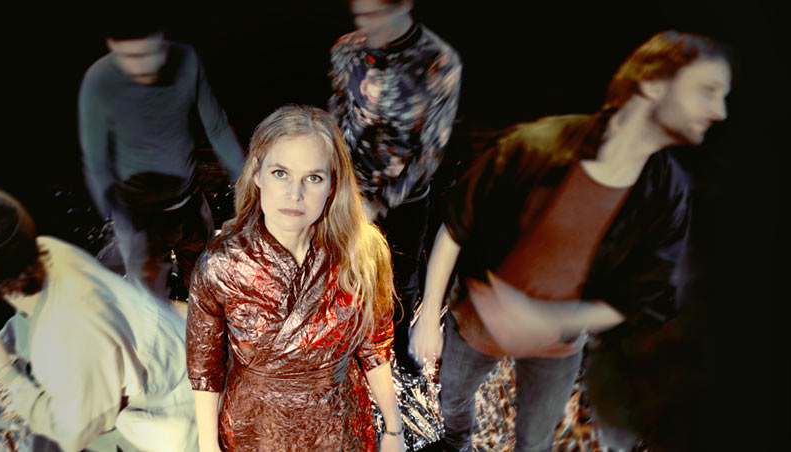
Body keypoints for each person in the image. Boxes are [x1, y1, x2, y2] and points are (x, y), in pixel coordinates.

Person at [409, 30, 731, 451]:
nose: (719, 111)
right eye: (707, 91)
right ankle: (456, 443)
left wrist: (551, 319)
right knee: (452, 403)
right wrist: (427, 318)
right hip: (475, 326)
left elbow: (644, 296)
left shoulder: (666, 193)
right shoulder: (534, 147)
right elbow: (455, 226)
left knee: (535, 442)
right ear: (653, 84)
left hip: (558, 349)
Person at [186, 105, 405, 452]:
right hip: (254, 434)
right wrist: (208, 446)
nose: (295, 193)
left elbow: (374, 348)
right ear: (257, 174)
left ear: (332, 184)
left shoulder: (362, 254)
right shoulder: (221, 265)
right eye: (280, 173)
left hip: (339, 431)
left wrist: (394, 430)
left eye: (313, 178)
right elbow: (205, 369)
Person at [0, 185, 198, 452]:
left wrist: (6, 373)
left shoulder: (72, 328)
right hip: (172, 356)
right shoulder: (47, 253)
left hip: (180, 418)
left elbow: (74, 434)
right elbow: (29, 317)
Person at [329, 0, 461, 374]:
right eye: (359, 15)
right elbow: (339, 114)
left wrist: (380, 201)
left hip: (407, 198)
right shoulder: (346, 49)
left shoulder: (439, 62)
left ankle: (400, 345)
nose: (365, 25)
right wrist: (339, 182)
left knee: (402, 280)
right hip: (349, 193)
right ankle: (345, 350)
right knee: (343, 274)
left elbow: (431, 151)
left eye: (374, 15)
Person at [79, 8, 245, 299]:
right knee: (150, 303)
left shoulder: (187, 60)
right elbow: (95, 161)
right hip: (140, 218)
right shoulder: (98, 81)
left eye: (151, 54)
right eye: (131, 57)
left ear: (163, 41)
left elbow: (217, 127)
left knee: (208, 291)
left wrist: (247, 187)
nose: (143, 66)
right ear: (112, 46)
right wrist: (117, 217)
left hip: (190, 204)